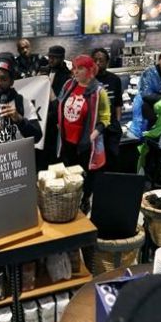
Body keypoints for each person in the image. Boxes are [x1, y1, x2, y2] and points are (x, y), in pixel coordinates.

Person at [57, 55, 110, 213]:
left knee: (85, 174)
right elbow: (60, 102)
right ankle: (71, 200)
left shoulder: (99, 92)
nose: (76, 71)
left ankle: (85, 199)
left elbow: (105, 119)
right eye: (74, 68)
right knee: (69, 171)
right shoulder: (69, 84)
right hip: (66, 139)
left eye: (80, 68)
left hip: (85, 142)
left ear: (90, 70)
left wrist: (91, 137)